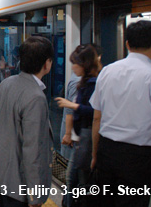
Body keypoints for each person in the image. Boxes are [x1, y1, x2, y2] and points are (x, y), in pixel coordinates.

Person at [90, 20, 151, 207]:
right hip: (140, 158)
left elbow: (97, 118)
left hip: (107, 151)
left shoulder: (107, 72)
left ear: (127, 44)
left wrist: (95, 155)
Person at [0, 36, 54, 207]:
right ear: (47, 63)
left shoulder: (7, 83)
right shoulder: (36, 97)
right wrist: (35, 195)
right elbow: (32, 149)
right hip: (17, 185)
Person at [55, 44, 101, 207]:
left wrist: (73, 106)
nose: (73, 67)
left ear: (85, 64)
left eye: (75, 63)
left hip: (88, 139)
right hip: (82, 138)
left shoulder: (95, 84)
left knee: (78, 180)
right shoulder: (83, 83)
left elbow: (97, 113)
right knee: (73, 179)